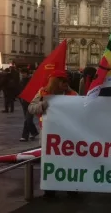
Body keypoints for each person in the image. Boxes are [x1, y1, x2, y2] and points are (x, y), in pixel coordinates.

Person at [28, 70, 78, 199]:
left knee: (68, 162)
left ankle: (71, 189)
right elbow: (31, 108)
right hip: (48, 135)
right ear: (55, 82)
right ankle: (50, 190)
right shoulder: (43, 93)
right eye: (63, 81)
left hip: (67, 135)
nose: (66, 84)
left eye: (67, 81)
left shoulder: (73, 94)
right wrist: (42, 105)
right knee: (49, 162)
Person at [19, 69, 39, 142]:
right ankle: (34, 132)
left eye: (24, 73)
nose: (22, 75)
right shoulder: (21, 81)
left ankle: (24, 136)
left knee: (28, 119)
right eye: (22, 73)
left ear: (27, 73)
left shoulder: (31, 81)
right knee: (28, 119)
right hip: (24, 103)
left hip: (31, 102)